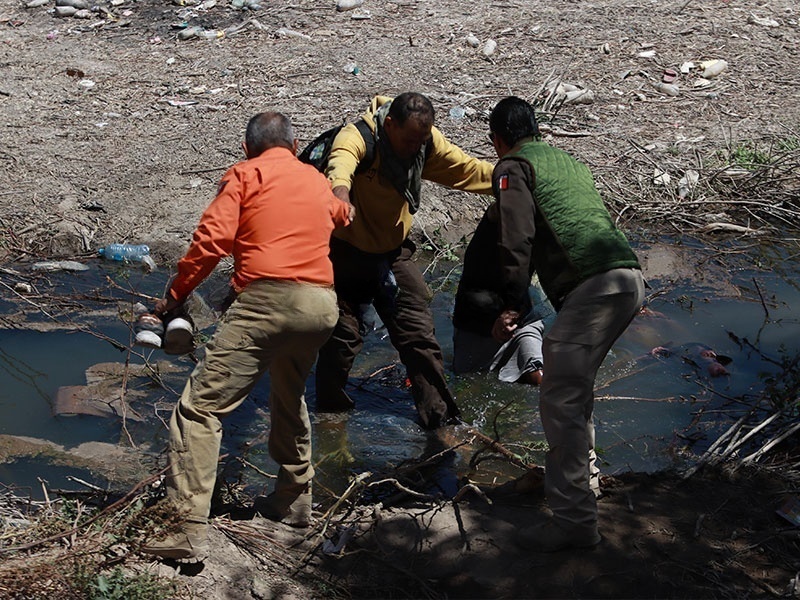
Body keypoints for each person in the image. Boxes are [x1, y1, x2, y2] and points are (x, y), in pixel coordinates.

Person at [141, 111, 353, 563]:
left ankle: (184, 529)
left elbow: (212, 241)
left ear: (247, 147)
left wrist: (174, 296)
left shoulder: (245, 173)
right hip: (320, 306)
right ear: (294, 147)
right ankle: (294, 504)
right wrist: (337, 190)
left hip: (266, 303)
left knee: (199, 410)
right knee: (288, 394)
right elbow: (341, 215)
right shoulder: (314, 179)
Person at [485, 96, 644, 552]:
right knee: (574, 390)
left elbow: (517, 242)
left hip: (594, 288)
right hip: (628, 279)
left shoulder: (512, 166)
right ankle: (586, 482)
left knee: (558, 398)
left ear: (498, 140)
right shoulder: (567, 161)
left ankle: (574, 524)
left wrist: (511, 303)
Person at [314, 92, 494, 429]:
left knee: (419, 335)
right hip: (345, 254)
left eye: (421, 140)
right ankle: (330, 417)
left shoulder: (425, 142)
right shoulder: (359, 137)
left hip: (392, 254)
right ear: (391, 125)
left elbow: (466, 170)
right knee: (343, 340)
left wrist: (510, 179)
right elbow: (340, 165)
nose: (415, 147)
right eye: (409, 139)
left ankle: (439, 420)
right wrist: (340, 197)